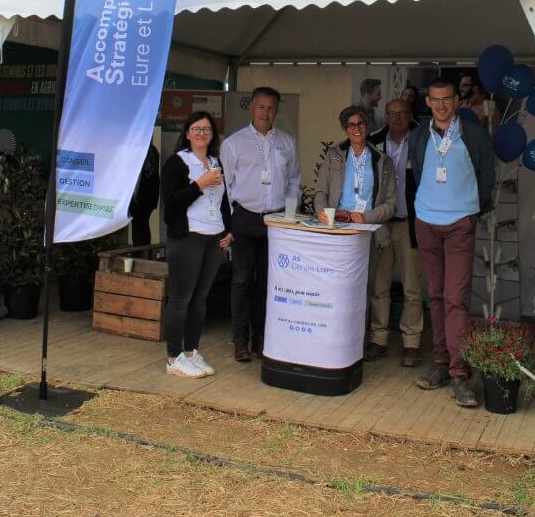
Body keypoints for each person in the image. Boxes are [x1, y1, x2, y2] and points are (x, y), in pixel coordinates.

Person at [408, 79, 495, 407]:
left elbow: (487, 176)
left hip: (460, 224)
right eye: (435, 100)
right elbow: (419, 173)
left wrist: (471, 211)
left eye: (447, 99)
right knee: (437, 296)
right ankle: (441, 365)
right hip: (426, 222)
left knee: (456, 300)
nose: (441, 105)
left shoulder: (473, 135)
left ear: (457, 101)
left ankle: (460, 374)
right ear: (427, 103)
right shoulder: (419, 136)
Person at [221, 87, 301, 362]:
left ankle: (261, 339)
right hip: (244, 218)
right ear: (251, 109)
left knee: (267, 283)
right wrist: (232, 218)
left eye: (271, 108)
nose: (266, 113)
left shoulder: (287, 142)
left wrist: (289, 215)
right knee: (242, 281)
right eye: (261, 107)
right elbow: (226, 184)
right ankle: (240, 340)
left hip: (277, 220)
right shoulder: (234, 143)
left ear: (277, 110)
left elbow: (294, 180)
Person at [314, 105, 397, 354]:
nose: (357, 129)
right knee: (341, 289)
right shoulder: (334, 155)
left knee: (375, 288)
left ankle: (375, 341)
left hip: (369, 231)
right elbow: (320, 192)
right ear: (345, 128)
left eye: (361, 124)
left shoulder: (382, 160)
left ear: (368, 126)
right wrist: (323, 214)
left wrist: (366, 216)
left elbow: (391, 204)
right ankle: (341, 338)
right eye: (351, 125)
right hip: (339, 233)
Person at [161, 111, 232, 379]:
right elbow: (172, 204)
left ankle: (191, 351)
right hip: (187, 237)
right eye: (196, 129)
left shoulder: (215, 161)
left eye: (207, 130)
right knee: (181, 298)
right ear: (188, 133)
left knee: (200, 299)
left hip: (214, 238)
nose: (202, 134)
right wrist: (199, 184)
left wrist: (229, 229)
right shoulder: (178, 163)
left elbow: (222, 201)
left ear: (213, 135)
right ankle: (173, 357)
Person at [365, 99, 423, 365]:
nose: (397, 118)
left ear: (410, 115)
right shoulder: (373, 142)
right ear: (385, 116)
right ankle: (378, 339)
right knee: (379, 285)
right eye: (392, 113)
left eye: (402, 113)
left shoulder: (423, 140)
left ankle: (411, 342)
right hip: (381, 224)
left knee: (412, 286)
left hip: (411, 222)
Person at [130, 140, 160, 247]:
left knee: (138, 226)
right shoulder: (153, 150)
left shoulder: (141, 150)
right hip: (149, 197)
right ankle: (145, 252)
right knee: (143, 225)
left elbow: (140, 176)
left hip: (139, 197)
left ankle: (139, 253)